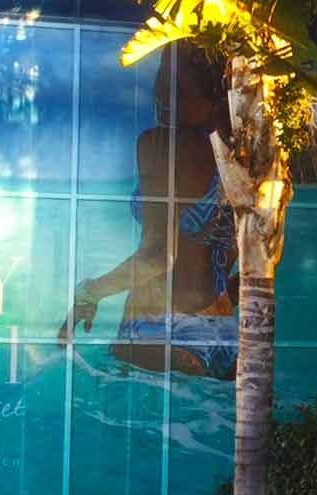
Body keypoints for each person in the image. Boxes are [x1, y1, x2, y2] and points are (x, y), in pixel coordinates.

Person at [59, 48, 239, 379]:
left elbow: (159, 255)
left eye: (178, 90)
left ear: (214, 101)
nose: (162, 96)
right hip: (224, 332)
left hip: (158, 328)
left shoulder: (160, 145)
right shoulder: (240, 158)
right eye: (161, 81)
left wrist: (90, 292)